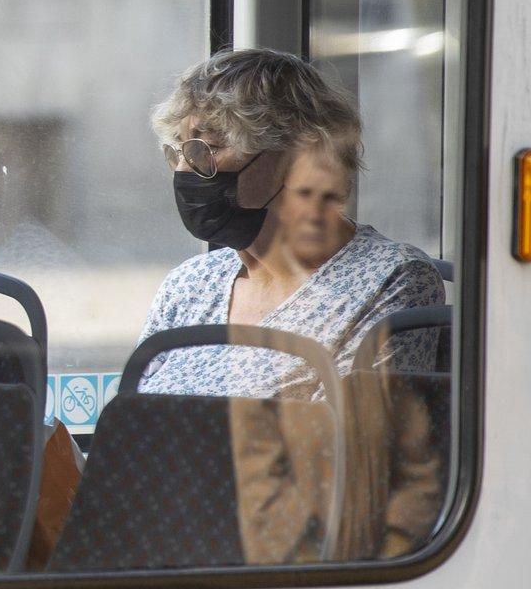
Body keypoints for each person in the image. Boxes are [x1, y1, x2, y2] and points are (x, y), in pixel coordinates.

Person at [135, 49, 445, 398]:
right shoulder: (189, 285)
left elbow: (351, 442)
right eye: (178, 153)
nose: (184, 170)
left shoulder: (390, 280)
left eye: (206, 149)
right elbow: (128, 425)